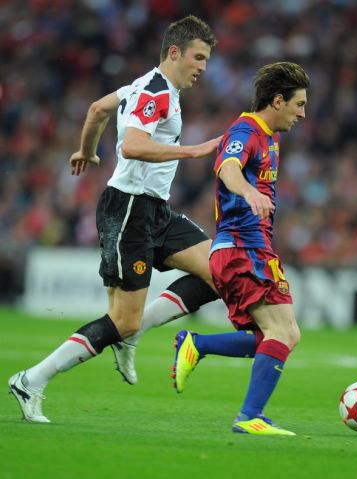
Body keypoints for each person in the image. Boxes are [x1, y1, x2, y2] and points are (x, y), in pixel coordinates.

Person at [8, 15, 221, 423]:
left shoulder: (144, 87)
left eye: (206, 60)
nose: (203, 67)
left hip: (155, 210)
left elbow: (97, 109)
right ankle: (31, 380)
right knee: (122, 320)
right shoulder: (155, 91)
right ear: (174, 52)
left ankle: (131, 335)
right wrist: (192, 151)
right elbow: (133, 145)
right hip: (128, 211)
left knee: (220, 272)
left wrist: (87, 150)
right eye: (198, 57)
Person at [172, 62, 309, 436]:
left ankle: (197, 344)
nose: (302, 113)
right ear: (277, 101)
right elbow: (228, 167)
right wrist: (249, 192)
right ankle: (249, 416)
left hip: (250, 247)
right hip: (242, 248)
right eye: (298, 104)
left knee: (277, 336)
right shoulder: (246, 130)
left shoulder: (271, 138)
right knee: (282, 331)